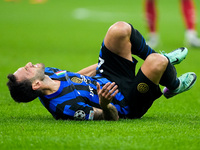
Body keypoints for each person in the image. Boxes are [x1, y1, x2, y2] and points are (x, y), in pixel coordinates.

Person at [7, 21, 197, 121]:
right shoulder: (66, 107)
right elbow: (111, 119)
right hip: (127, 102)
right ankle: (175, 85)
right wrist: (105, 104)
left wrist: (111, 60)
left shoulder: (47, 73)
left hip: (107, 76)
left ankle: (164, 61)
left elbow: (78, 78)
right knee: (155, 62)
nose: (30, 63)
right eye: (27, 69)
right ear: (36, 84)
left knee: (119, 29)